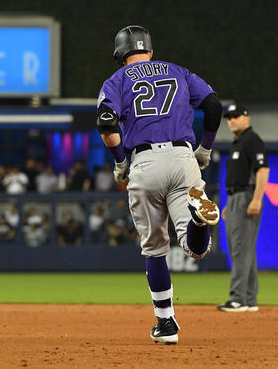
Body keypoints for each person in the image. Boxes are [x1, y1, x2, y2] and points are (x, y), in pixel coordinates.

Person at [96, 25, 222, 344]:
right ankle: (196, 217)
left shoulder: (117, 80)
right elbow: (213, 105)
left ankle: (166, 325)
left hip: (145, 162)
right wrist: (205, 148)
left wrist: (120, 161)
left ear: (119, 56)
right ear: (149, 51)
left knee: (154, 249)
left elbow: (106, 122)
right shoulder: (178, 72)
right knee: (197, 248)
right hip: (184, 159)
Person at [218, 104, 270, 313]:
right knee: (242, 249)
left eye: (236, 116)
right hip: (235, 198)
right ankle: (248, 298)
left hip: (246, 196)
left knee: (241, 249)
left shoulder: (252, 139)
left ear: (246, 118)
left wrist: (256, 199)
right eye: (229, 117)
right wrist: (229, 204)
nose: (231, 120)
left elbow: (263, 169)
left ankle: (238, 298)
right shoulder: (238, 142)